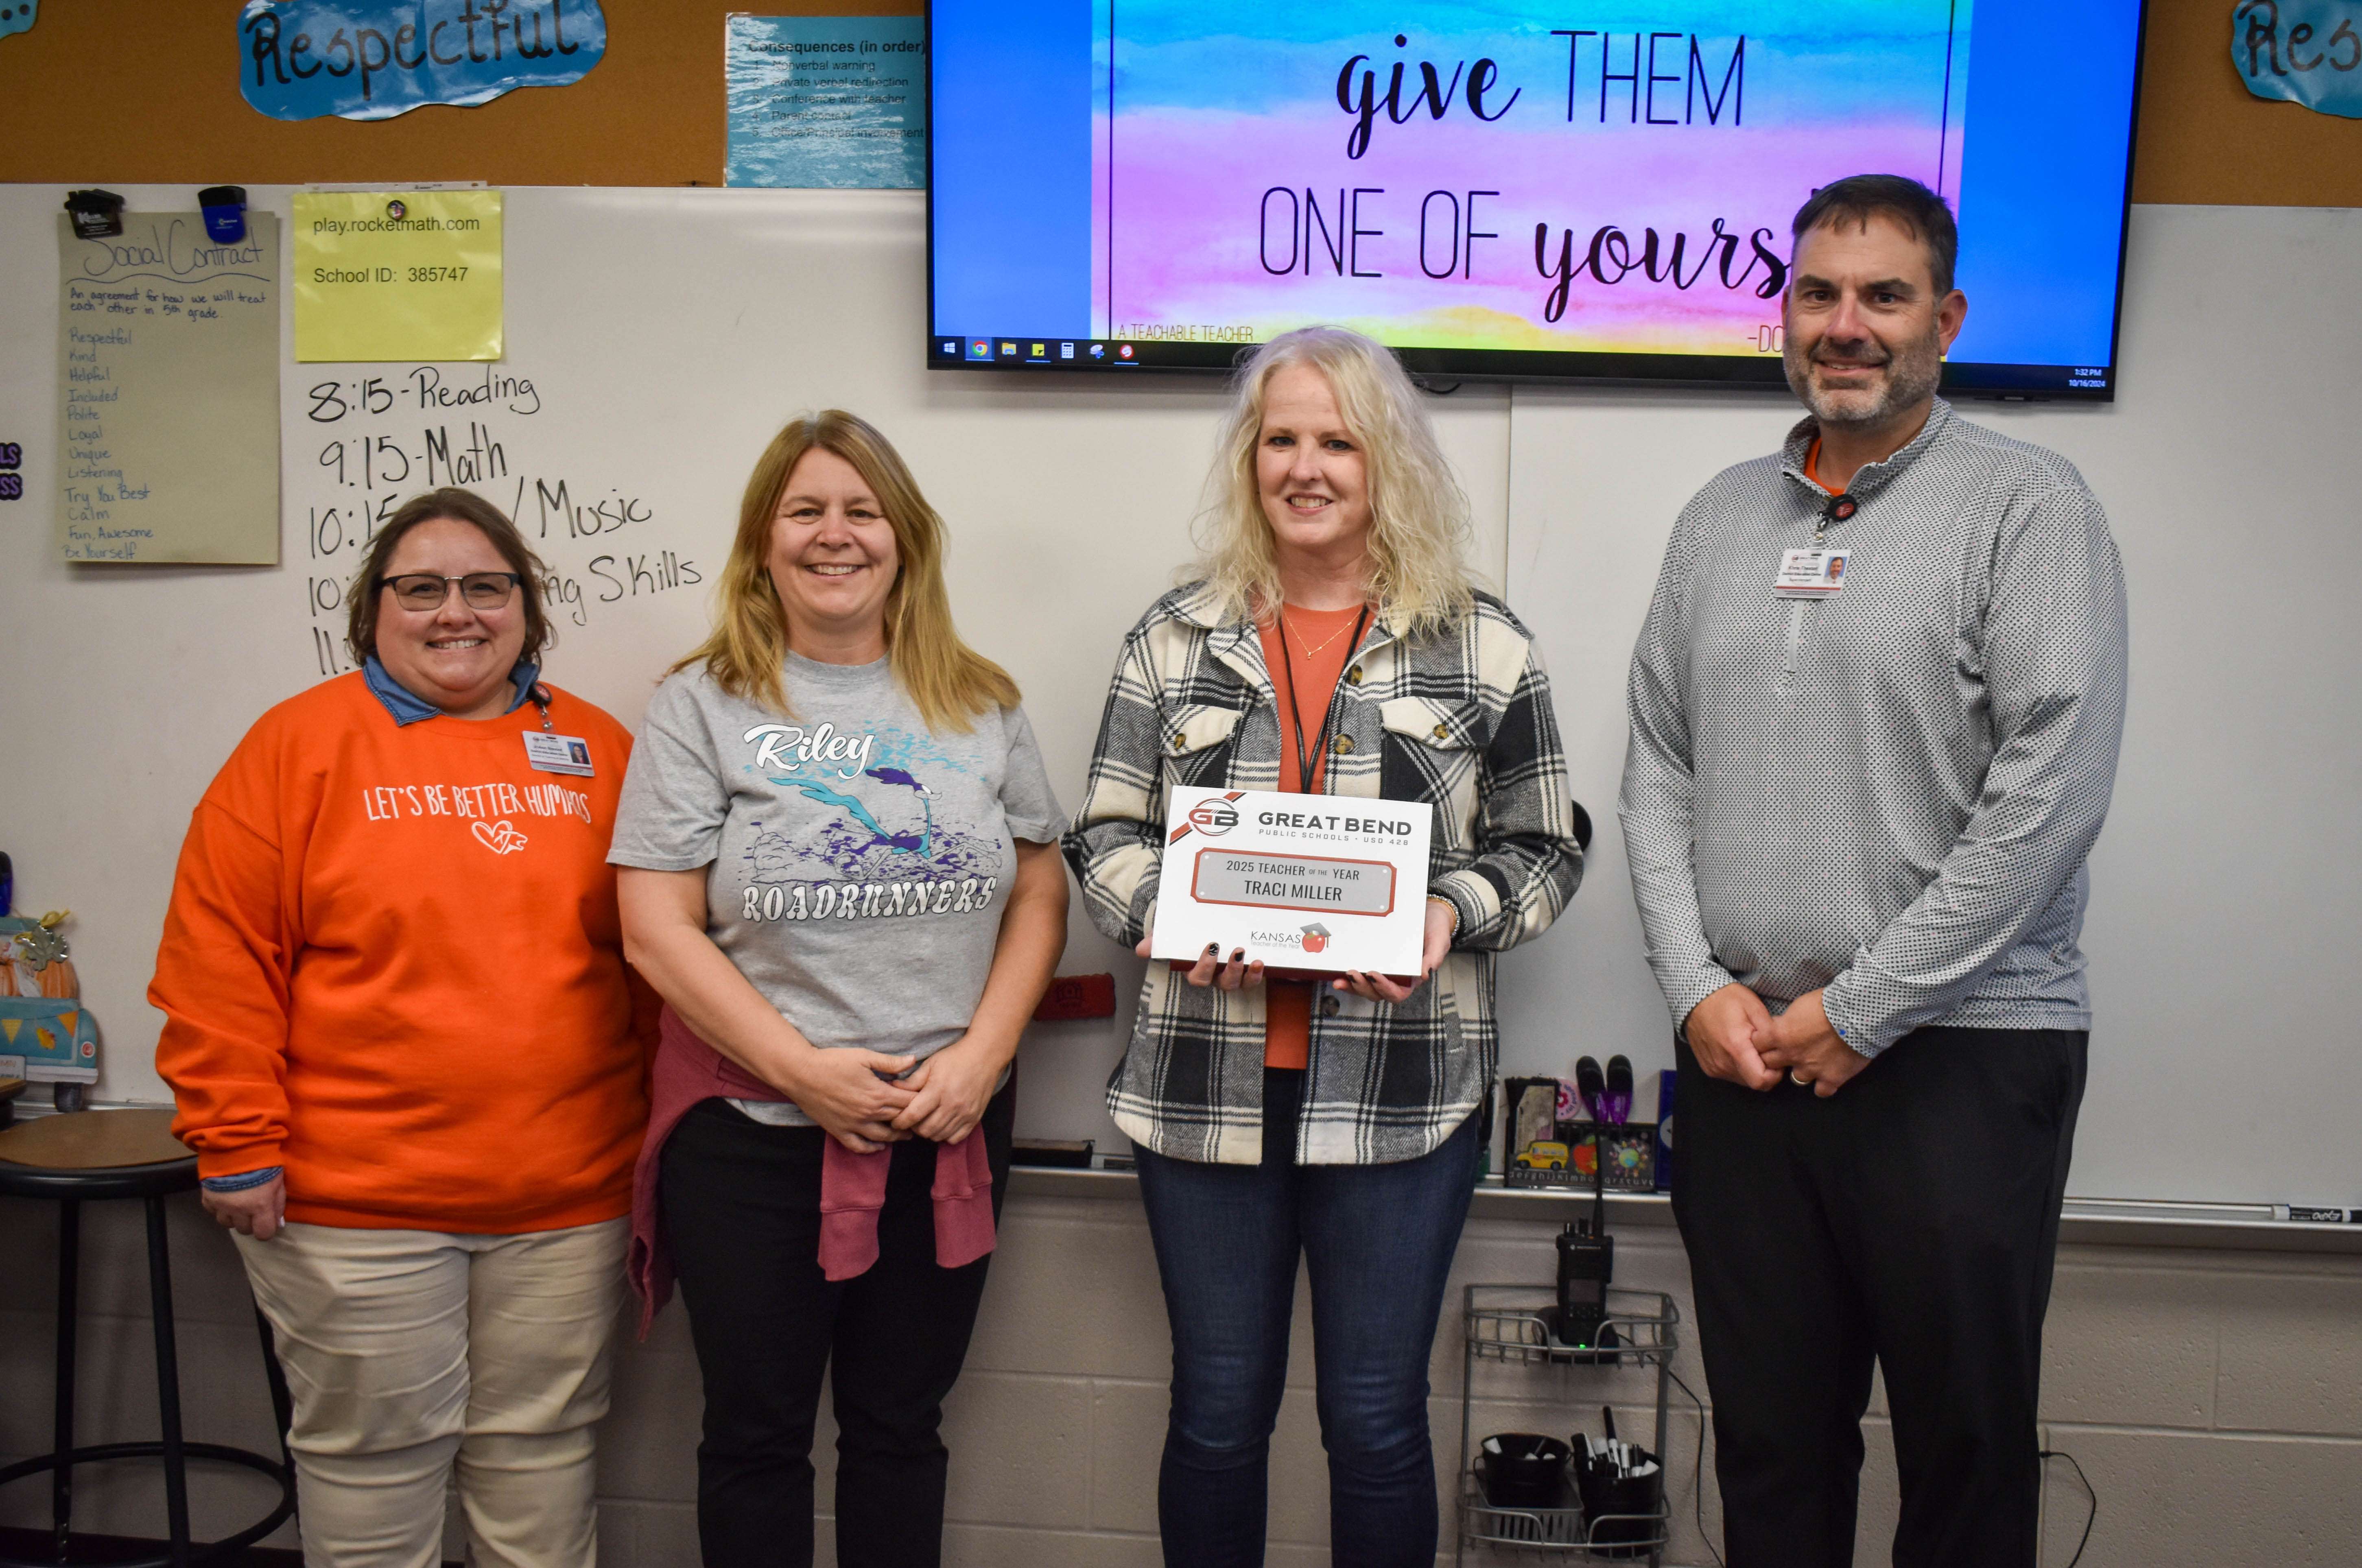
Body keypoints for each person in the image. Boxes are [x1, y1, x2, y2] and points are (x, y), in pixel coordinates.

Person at [1619, 175, 2130, 1567]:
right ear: (1786, 314)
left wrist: (1867, 1007)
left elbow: (2051, 797)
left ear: (1946, 318)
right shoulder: (1719, 517)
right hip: (1748, 1067)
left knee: (1964, 1462)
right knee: (1774, 1454)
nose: (1847, 326)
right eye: (1819, 293)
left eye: (1884, 296)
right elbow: (1658, 765)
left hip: (1963, 1057)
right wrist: (1688, 986)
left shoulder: (2025, 508)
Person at [1064, 326, 1586, 1567]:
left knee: (1375, 1422)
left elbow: (1550, 843)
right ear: (1252, 459)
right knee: (1216, 1417)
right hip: (1203, 1092)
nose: (1306, 467)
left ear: (1385, 459)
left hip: (1405, 1097)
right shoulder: (1173, 638)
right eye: (1281, 439)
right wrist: (1175, 915)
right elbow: (1100, 836)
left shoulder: (1485, 643)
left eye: (1337, 440)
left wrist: (1448, 912)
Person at [152, 488, 653, 1568]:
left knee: (543, 1454)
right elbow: (219, 957)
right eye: (420, 589)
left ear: (528, 604)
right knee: (372, 1462)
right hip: (354, 1206)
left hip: (567, 1199)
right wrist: (234, 1140)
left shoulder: (599, 749)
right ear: (371, 608)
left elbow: (658, 966)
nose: (454, 613)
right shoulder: (297, 747)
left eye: (485, 586)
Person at [610, 410, 1068, 1568]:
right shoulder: (699, 707)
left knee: (900, 1432)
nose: (835, 535)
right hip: (754, 1137)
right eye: (805, 510)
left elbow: (1039, 895)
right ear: (763, 540)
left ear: (904, 538)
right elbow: (656, 931)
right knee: (757, 1439)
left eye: (862, 511)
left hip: (943, 1126)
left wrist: (982, 1059)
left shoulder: (981, 702)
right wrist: (802, 1073)